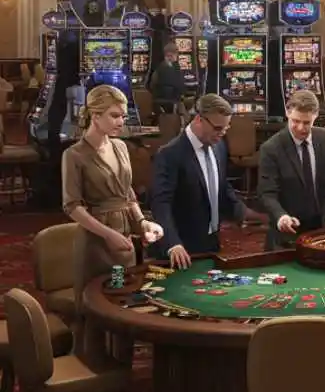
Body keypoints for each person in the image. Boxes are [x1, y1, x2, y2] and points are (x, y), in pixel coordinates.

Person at [62, 84, 164, 357]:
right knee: (95, 307)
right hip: (95, 243)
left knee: (120, 300)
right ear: (95, 116)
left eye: (123, 115)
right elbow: (72, 207)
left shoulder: (120, 147)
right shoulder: (74, 155)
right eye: (115, 115)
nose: (122, 121)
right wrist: (108, 235)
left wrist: (142, 223)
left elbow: (127, 193)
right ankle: (90, 373)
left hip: (124, 239)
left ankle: (120, 372)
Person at [149, 93, 263, 269]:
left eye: (226, 129)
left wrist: (245, 213)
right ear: (199, 120)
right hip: (180, 248)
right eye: (218, 128)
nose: (222, 134)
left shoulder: (218, 146)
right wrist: (172, 243)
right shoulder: (169, 154)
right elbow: (160, 204)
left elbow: (221, 187)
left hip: (211, 242)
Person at [257, 89, 325, 250]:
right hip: (286, 236)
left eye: (307, 123)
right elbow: (267, 193)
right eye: (295, 121)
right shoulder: (271, 148)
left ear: (316, 116)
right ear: (287, 113)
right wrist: (280, 216)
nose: (300, 128)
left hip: (321, 231)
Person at [150, 42, 186, 116]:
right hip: (171, 100)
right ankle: (182, 122)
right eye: (169, 56)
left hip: (159, 99)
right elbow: (179, 86)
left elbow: (152, 85)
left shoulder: (160, 66)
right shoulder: (172, 67)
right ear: (176, 54)